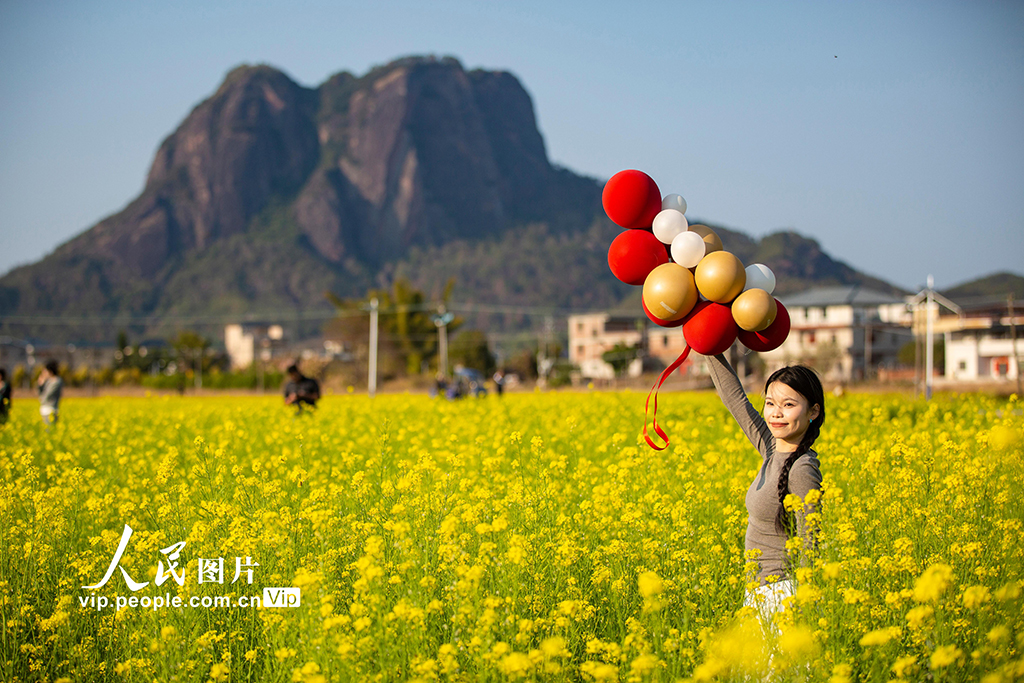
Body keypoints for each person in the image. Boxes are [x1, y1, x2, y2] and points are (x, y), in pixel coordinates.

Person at [706, 353, 824, 628]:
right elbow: (735, 399)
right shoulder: (772, 449)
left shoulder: (802, 469)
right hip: (759, 594)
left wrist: (802, 610)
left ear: (813, 411)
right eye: (770, 403)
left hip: (784, 598)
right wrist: (705, 343)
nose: (776, 413)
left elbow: (811, 540)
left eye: (789, 405)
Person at [37, 360, 64, 429]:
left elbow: (46, 396)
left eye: (45, 371)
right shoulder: (49, 381)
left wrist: (42, 385)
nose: (43, 373)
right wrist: (40, 385)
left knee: (49, 430)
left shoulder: (56, 382)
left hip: (50, 410)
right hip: (46, 410)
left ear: (50, 372)